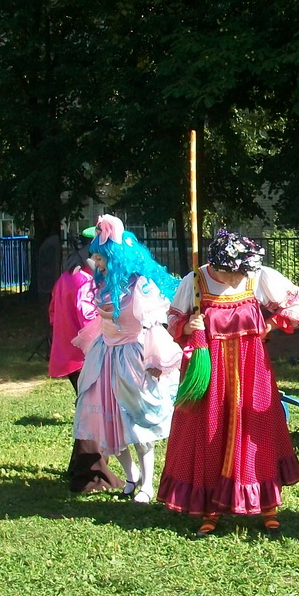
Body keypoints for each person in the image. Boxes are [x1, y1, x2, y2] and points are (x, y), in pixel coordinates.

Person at [157, 229, 299, 537]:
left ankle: (267, 505)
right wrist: (188, 325)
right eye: (232, 273)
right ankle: (209, 508)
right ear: (217, 266)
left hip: (252, 370)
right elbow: (171, 320)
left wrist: (270, 324)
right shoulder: (195, 282)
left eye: (241, 272)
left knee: (255, 430)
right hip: (208, 371)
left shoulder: (258, 277)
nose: (237, 278)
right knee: (209, 432)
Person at [72, 214, 181, 504]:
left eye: (100, 256)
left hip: (133, 358)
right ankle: (131, 476)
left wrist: (157, 360)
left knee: (137, 422)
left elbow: (153, 326)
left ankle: (147, 484)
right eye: (95, 256)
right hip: (105, 358)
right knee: (109, 424)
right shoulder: (105, 284)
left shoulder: (141, 286)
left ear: (116, 257)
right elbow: (102, 322)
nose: (95, 262)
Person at [49, 244, 123, 494]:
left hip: (69, 355)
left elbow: (52, 314)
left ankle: (77, 467)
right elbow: (90, 320)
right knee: (94, 413)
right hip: (86, 356)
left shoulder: (65, 277)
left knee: (87, 411)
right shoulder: (86, 281)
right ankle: (91, 476)